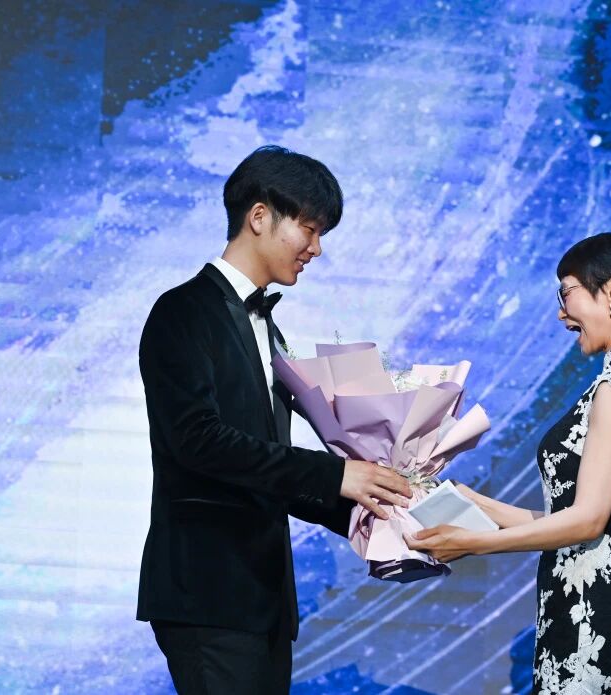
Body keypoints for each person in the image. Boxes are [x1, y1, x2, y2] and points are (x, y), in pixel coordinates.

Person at [136, 145, 412, 695]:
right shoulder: (182, 311)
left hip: (263, 597)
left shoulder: (268, 329)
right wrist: (337, 475)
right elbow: (198, 441)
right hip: (208, 591)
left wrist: (381, 509)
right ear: (259, 216)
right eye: (309, 229)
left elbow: (267, 470)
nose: (316, 248)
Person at [406, 233, 611, 694]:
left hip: (588, 612)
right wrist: (475, 503)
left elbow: (587, 521)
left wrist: (474, 542)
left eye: (567, 293)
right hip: (597, 602)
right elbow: (583, 519)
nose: (561, 313)